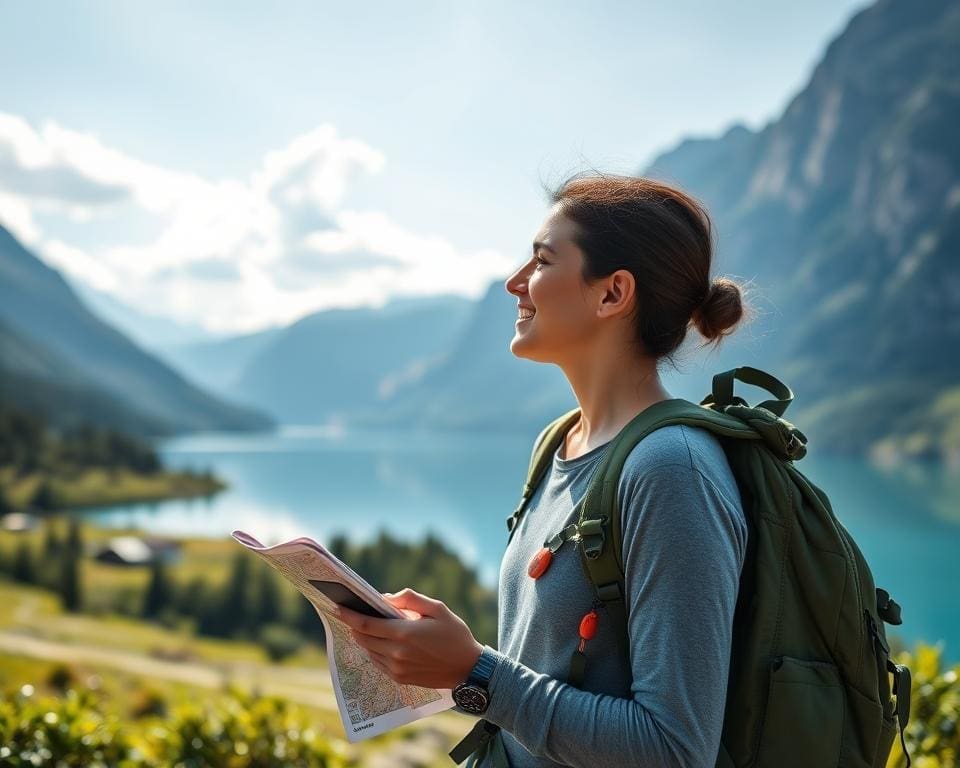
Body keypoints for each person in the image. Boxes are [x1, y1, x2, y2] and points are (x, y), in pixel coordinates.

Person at [337, 173, 749, 767]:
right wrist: (449, 662)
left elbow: (675, 750)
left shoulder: (670, 471)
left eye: (541, 261)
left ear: (612, 294)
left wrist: (475, 670)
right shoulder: (560, 443)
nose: (514, 283)